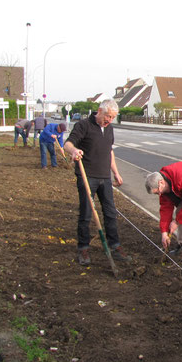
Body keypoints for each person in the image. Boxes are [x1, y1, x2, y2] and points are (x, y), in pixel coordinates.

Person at [63, 99, 131, 266]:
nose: (110, 120)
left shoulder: (110, 129)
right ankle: (83, 248)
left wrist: (115, 172)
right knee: (86, 213)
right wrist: (74, 150)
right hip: (87, 177)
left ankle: (115, 245)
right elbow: (68, 144)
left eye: (113, 117)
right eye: (108, 116)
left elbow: (109, 152)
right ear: (99, 111)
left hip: (105, 177)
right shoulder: (84, 125)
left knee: (110, 213)